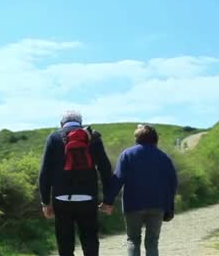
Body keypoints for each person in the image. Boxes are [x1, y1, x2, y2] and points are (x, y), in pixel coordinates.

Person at [38, 110, 113, 256]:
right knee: (90, 238)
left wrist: (45, 202)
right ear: (80, 122)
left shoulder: (54, 138)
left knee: (65, 242)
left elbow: (44, 173)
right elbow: (105, 169)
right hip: (88, 198)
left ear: (61, 124)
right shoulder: (93, 137)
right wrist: (108, 200)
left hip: (61, 199)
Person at [105, 124, 178, 256]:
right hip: (157, 205)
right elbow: (172, 184)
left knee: (133, 239)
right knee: (152, 242)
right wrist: (169, 207)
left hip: (133, 205)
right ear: (155, 139)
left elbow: (117, 179)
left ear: (137, 138)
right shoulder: (164, 157)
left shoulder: (127, 155)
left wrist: (108, 202)